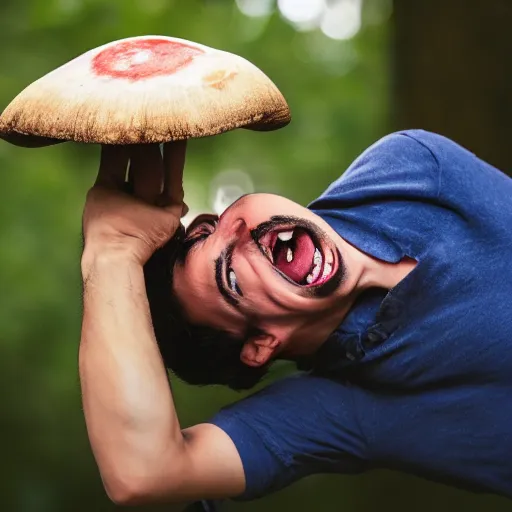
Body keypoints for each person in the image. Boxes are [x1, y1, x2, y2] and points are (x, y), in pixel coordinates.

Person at [80, 130, 512, 507]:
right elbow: (143, 471)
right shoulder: (342, 408)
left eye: (211, 226)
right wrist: (111, 254)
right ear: (261, 345)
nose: (241, 229)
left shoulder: (408, 166)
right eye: (229, 274)